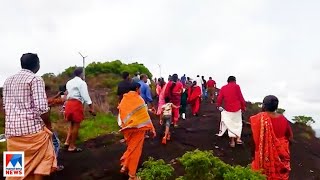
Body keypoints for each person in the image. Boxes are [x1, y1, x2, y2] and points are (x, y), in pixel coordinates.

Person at [3, 53, 57, 179]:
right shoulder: (35, 79)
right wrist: (48, 126)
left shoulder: (7, 80)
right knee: (42, 161)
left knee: (15, 169)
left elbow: (6, 107)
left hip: (12, 133)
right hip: (33, 133)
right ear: (37, 65)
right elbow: (42, 108)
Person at [118, 82, 156, 180]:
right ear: (136, 89)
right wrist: (152, 128)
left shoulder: (123, 100)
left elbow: (121, 116)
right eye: (139, 89)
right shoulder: (139, 99)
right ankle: (132, 175)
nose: (140, 91)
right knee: (136, 151)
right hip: (138, 129)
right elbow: (145, 116)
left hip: (128, 129)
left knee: (131, 148)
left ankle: (125, 166)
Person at [250, 95, 293, 180]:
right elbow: (290, 137)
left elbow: (255, 139)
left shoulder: (259, 119)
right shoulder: (283, 118)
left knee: (261, 174)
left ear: (264, 105)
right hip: (282, 153)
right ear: (276, 106)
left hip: (263, 154)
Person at [64, 67, 96, 152]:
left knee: (71, 124)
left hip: (68, 103)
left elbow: (67, 93)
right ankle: (72, 146)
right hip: (76, 104)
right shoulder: (82, 83)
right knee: (76, 125)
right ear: (81, 74)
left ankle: (67, 142)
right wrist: (91, 107)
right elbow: (85, 96)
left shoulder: (69, 82)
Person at [216, 76, 246, 148]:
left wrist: (218, 105)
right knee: (238, 123)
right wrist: (243, 106)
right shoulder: (236, 86)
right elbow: (240, 97)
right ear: (234, 81)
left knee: (230, 124)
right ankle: (238, 139)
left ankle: (232, 142)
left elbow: (219, 98)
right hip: (237, 108)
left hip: (228, 109)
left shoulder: (223, 88)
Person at [44, 86, 66, 171]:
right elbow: (60, 101)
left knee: (15, 158)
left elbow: (50, 101)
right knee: (55, 143)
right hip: (41, 128)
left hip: (15, 133)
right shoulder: (41, 102)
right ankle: (53, 165)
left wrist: (57, 95)